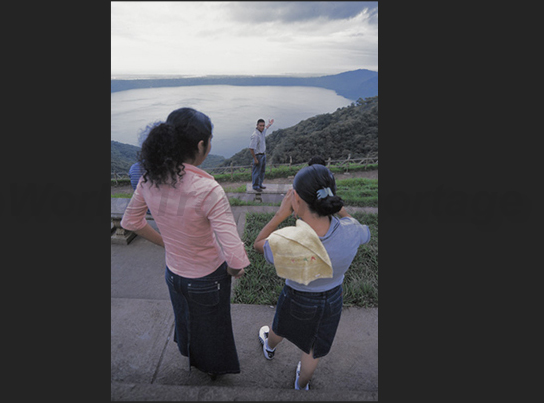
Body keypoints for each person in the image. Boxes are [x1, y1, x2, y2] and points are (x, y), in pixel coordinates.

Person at [121, 107, 250, 379]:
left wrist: (167, 243)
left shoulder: (149, 178)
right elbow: (236, 260)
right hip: (207, 277)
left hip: (173, 274)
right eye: (209, 140)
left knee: (187, 323)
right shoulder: (208, 189)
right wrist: (233, 271)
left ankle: (191, 359)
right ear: (202, 145)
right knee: (213, 330)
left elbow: (131, 222)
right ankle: (213, 369)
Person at [253, 164, 371, 390]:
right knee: (313, 348)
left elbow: (259, 244)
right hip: (332, 299)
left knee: (280, 326)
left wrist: (281, 214)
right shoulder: (352, 231)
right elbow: (361, 229)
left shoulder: (288, 243)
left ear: (295, 200)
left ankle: (269, 348)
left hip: (296, 297)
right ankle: (301, 385)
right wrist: (341, 210)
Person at [248, 118, 274, 191]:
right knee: (256, 171)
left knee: (262, 171)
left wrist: (270, 124)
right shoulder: (255, 135)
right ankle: (255, 186)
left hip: (263, 155)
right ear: (257, 125)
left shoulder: (262, 132)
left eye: (263, 125)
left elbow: (266, 128)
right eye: (260, 126)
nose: (262, 127)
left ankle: (259, 184)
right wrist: (255, 159)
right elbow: (251, 148)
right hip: (258, 156)